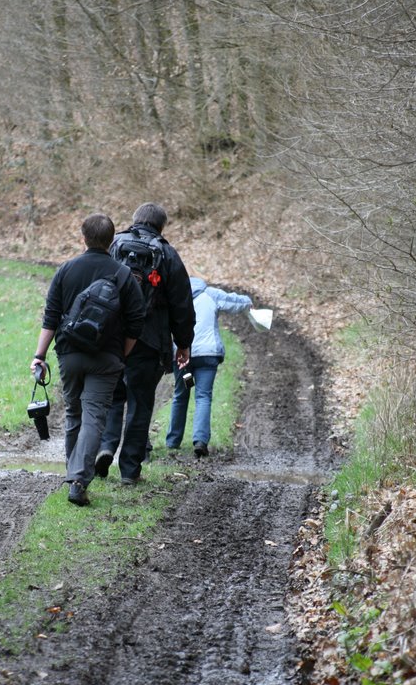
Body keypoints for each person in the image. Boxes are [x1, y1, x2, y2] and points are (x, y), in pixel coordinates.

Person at [31, 213, 146, 506]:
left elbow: (51, 317)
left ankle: (73, 473)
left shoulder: (66, 270)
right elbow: (136, 323)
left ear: (83, 237)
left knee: (73, 413)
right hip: (106, 358)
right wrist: (122, 353)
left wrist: (39, 356)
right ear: (112, 240)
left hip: (69, 354)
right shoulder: (123, 275)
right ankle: (79, 480)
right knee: (95, 416)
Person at [95, 202, 195, 485]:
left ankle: (105, 446)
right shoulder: (167, 254)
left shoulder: (114, 245)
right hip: (149, 342)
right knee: (140, 403)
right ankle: (129, 470)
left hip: (112, 338)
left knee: (112, 397)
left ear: (135, 220)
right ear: (161, 226)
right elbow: (182, 305)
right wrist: (183, 343)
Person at [166, 277, 252, 458]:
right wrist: (248, 303)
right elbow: (233, 301)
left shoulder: (175, 296)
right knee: (203, 396)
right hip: (207, 356)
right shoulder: (210, 293)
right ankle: (200, 441)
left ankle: (173, 441)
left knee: (182, 394)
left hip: (183, 358)